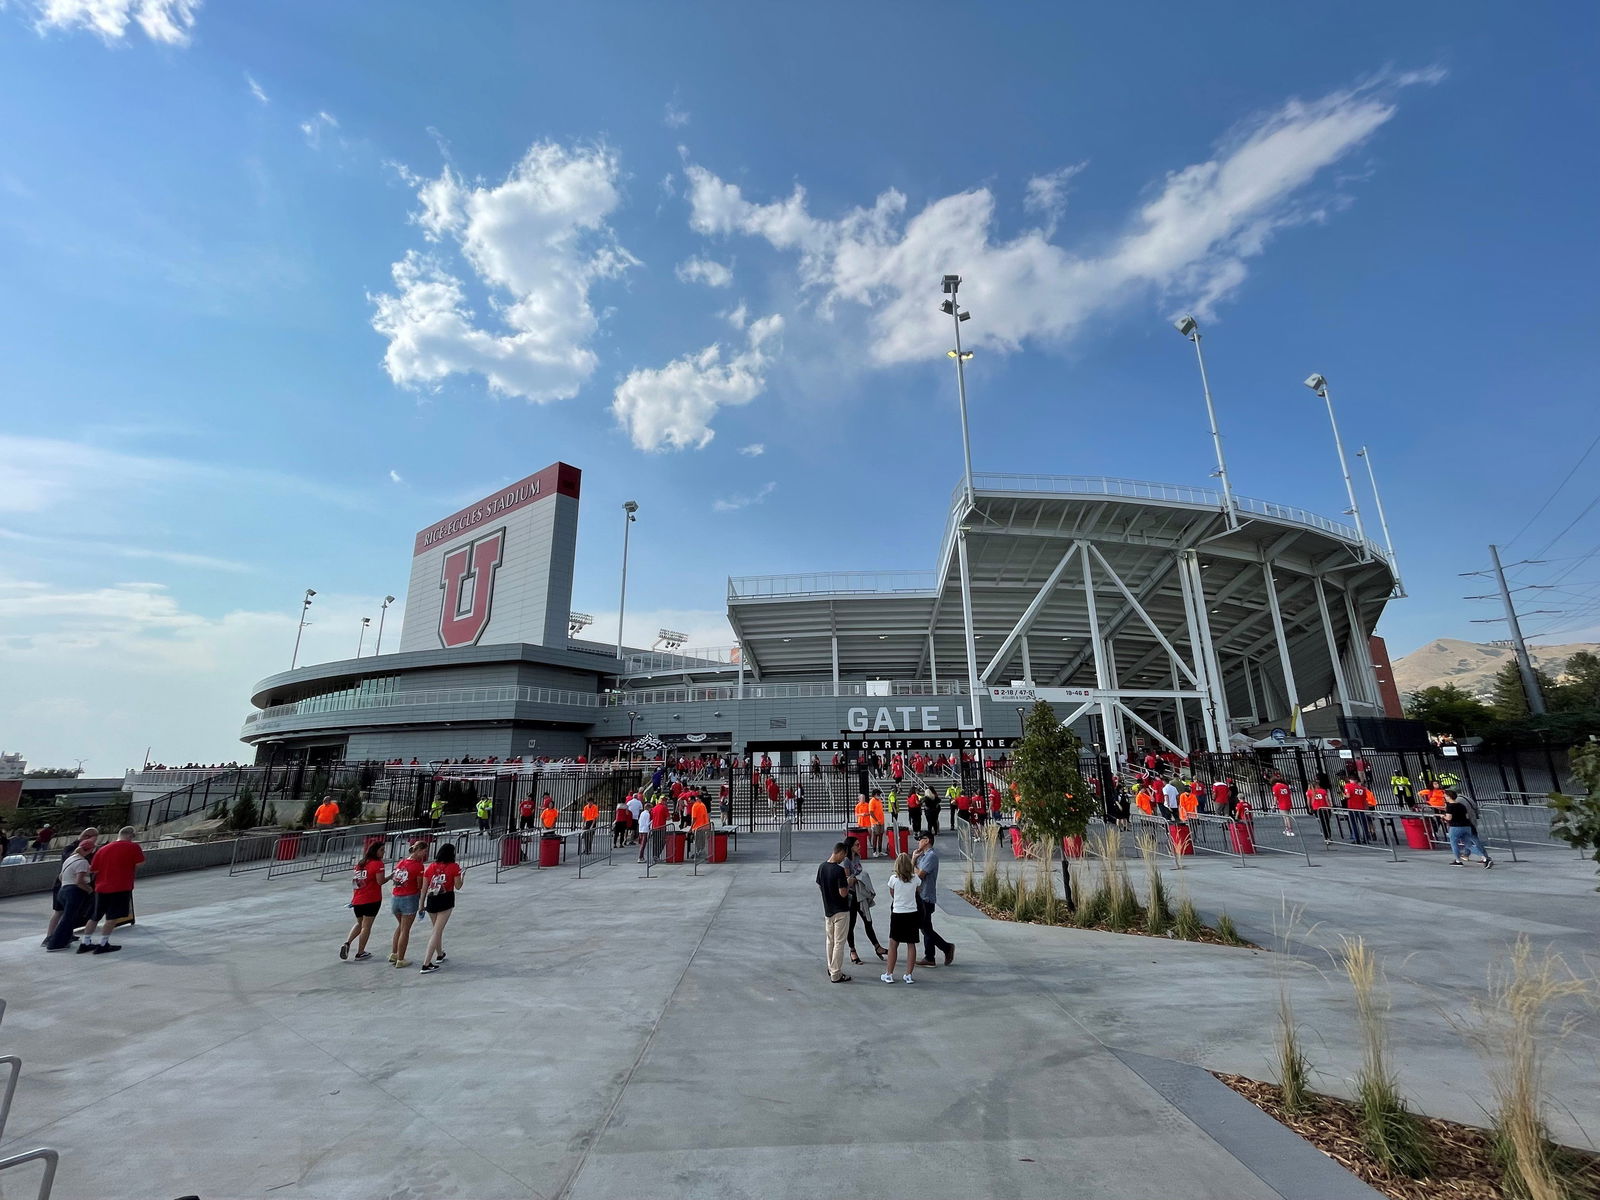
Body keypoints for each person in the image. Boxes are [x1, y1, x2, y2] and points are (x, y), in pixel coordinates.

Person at [77, 827, 145, 955]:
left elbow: (94, 870)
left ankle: (85, 943)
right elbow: (140, 863)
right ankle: (103, 943)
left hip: (101, 887)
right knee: (112, 917)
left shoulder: (103, 849)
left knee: (95, 916)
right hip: (121, 886)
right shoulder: (133, 847)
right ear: (130, 836)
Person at [44, 838, 95, 952]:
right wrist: (90, 890)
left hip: (63, 890)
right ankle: (55, 944)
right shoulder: (83, 862)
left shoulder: (70, 859)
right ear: (91, 850)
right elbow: (79, 881)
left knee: (66, 917)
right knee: (67, 919)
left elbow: (61, 876)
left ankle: (61, 940)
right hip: (73, 892)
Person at [841, 840, 887, 965]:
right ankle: (852, 950)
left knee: (868, 921)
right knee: (851, 924)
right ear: (851, 847)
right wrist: (859, 878)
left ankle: (877, 947)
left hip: (860, 895)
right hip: (852, 896)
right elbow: (847, 880)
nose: (860, 846)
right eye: (857, 844)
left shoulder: (857, 857)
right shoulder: (846, 860)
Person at [419, 843, 463, 973]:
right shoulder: (454, 867)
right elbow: (458, 886)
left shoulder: (430, 867)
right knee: (437, 931)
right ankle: (426, 963)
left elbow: (424, 888)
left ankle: (439, 954)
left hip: (432, 899)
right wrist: (463, 876)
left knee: (436, 929)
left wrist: (421, 904)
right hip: (446, 899)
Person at [914, 832, 955, 967]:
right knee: (926, 927)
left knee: (925, 927)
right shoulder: (923, 856)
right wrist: (914, 859)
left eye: (920, 840)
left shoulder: (931, 856)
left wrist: (912, 864)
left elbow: (920, 875)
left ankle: (946, 947)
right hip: (921, 896)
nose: (918, 842)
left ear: (927, 841)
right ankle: (930, 956)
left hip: (926, 896)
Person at [340, 843, 385, 961]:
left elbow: (356, 883)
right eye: (381, 850)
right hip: (372, 899)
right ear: (375, 851)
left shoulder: (360, 864)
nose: (383, 852)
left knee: (360, 923)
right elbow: (380, 881)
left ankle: (347, 942)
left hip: (358, 899)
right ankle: (360, 952)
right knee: (366, 926)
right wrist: (390, 877)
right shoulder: (378, 864)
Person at [881, 851, 920, 984]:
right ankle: (908, 974)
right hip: (912, 913)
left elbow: (892, 893)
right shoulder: (915, 879)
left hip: (898, 913)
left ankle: (889, 973)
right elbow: (918, 890)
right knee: (911, 944)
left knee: (893, 943)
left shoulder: (893, 879)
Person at [817, 842, 853, 983]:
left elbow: (820, 885)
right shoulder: (839, 871)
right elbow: (843, 893)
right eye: (844, 855)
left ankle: (830, 967)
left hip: (828, 910)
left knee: (829, 941)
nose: (843, 858)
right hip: (841, 911)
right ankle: (836, 973)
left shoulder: (822, 867)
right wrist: (849, 882)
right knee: (839, 942)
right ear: (840, 852)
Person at [389, 840, 426, 968]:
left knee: (400, 926)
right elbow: (419, 884)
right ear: (419, 850)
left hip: (396, 896)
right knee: (405, 930)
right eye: (424, 851)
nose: (425, 854)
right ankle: (401, 959)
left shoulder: (401, 862)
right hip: (409, 897)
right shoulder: (418, 866)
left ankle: (394, 953)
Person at [1444, 792, 1494, 868]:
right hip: (1466, 826)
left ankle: (1458, 860)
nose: (1445, 798)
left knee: (1454, 843)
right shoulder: (1461, 806)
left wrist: (1443, 816)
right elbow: (1467, 816)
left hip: (1455, 826)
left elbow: (1449, 818)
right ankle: (1485, 859)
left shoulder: (1450, 806)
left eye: (1445, 797)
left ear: (1449, 797)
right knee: (1468, 844)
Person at [868, 790, 886, 857]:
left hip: (881, 821)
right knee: (875, 836)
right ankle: (875, 851)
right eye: (878, 794)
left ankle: (880, 851)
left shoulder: (879, 800)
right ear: (875, 794)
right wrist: (876, 820)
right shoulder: (872, 801)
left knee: (881, 836)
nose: (880, 796)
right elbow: (871, 812)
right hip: (875, 822)